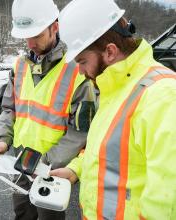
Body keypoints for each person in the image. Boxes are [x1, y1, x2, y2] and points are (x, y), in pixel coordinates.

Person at [50, 0, 176, 219]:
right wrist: (76, 169)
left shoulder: (163, 97)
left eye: (82, 61)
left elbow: (165, 204)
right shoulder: (115, 88)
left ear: (110, 51)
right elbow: (108, 151)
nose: (80, 72)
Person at [0, 0, 96, 220]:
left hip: (51, 171)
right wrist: (3, 139)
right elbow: (9, 109)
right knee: (22, 214)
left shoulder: (78, 71)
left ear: (54, 27)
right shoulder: (19, 66)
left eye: (36, 35)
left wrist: (44, 161)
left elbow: (81, 133)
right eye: (25, 36)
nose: (30, 43)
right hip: (19, 165)